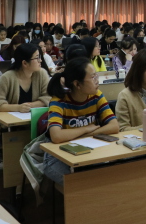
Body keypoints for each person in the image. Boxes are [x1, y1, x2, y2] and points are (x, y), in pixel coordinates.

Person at [44, 57, 118, 185]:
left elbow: (114, 126)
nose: (97, 80)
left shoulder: (96, 95)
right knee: (82, 184)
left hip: (87, 150)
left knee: (108, 178)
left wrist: (85, 134)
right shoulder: (59, 100)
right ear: (77, 84)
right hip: (58, 156)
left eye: (96, 76)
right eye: (93, 77)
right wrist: (86, 129)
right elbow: (56, 136)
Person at [0, 43, 51, 112]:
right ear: (25, 63)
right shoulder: (7, 78)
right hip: (11, 118)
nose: (40, 60)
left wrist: (30, 106)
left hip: (35, 117)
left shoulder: (41, 74)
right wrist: (18, 108)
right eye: (37, 58)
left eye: (40, 57)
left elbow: (48, 97)